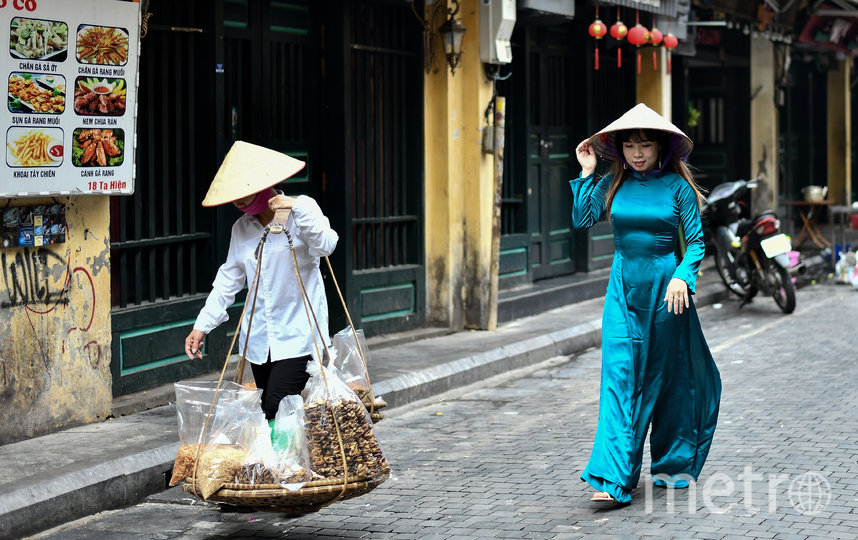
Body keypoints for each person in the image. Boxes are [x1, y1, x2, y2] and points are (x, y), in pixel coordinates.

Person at [570, 103, 722, 504]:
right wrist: (587, 172)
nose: (638, 153)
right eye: (631, 146)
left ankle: (672, 465)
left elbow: (696, 245)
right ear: (620, 149)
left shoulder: (678, 188)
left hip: (666, 292)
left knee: (667, 379)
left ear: (661, 148)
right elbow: (582, 219)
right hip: (622, 291)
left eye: (646, 145)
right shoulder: (612, 184)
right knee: (619, 378)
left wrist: (682, 277)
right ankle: (613, 477)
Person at [184, 141, 338, 423]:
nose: (239, 201)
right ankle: (286, 466)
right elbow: (228, 279)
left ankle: (280, 464)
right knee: (278, 417)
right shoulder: (241, 228)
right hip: (258, 341)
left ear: (265, 184)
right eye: (234, 196)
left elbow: (326, 245)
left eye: (245, 192)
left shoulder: (302, 211)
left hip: (299, 335)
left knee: (275, 407)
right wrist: (202, 325)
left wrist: (297, 205)